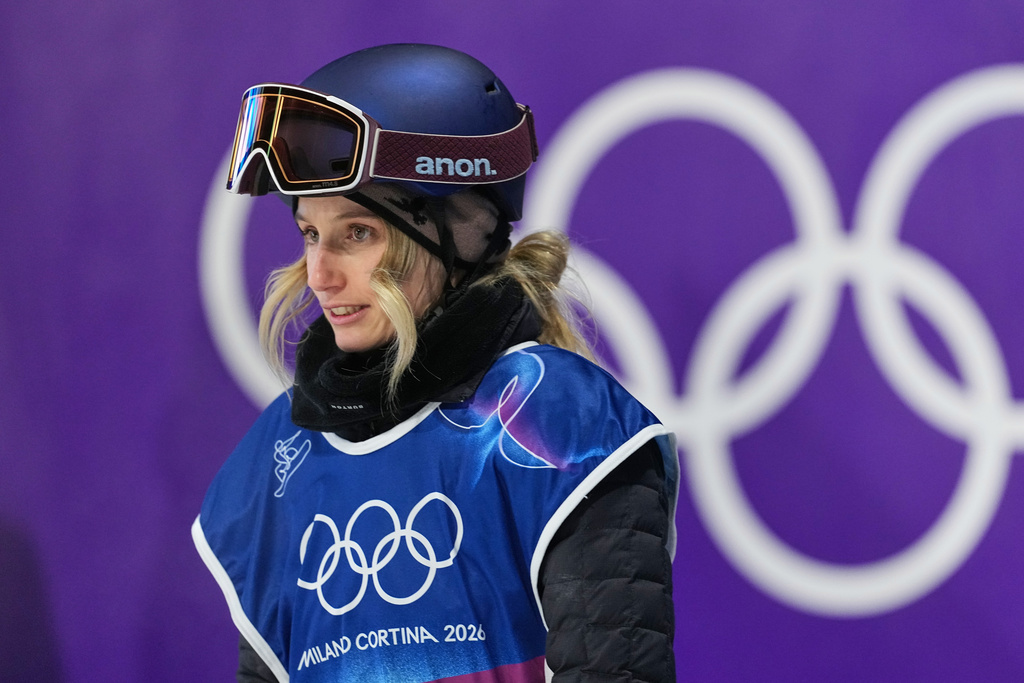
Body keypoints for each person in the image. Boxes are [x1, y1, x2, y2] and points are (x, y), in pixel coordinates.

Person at [193, 43, 679, 682]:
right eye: (310, 233)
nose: (318, 275)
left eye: (357, 234)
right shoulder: (276, 461)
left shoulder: (557, 426)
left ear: (462, 230)